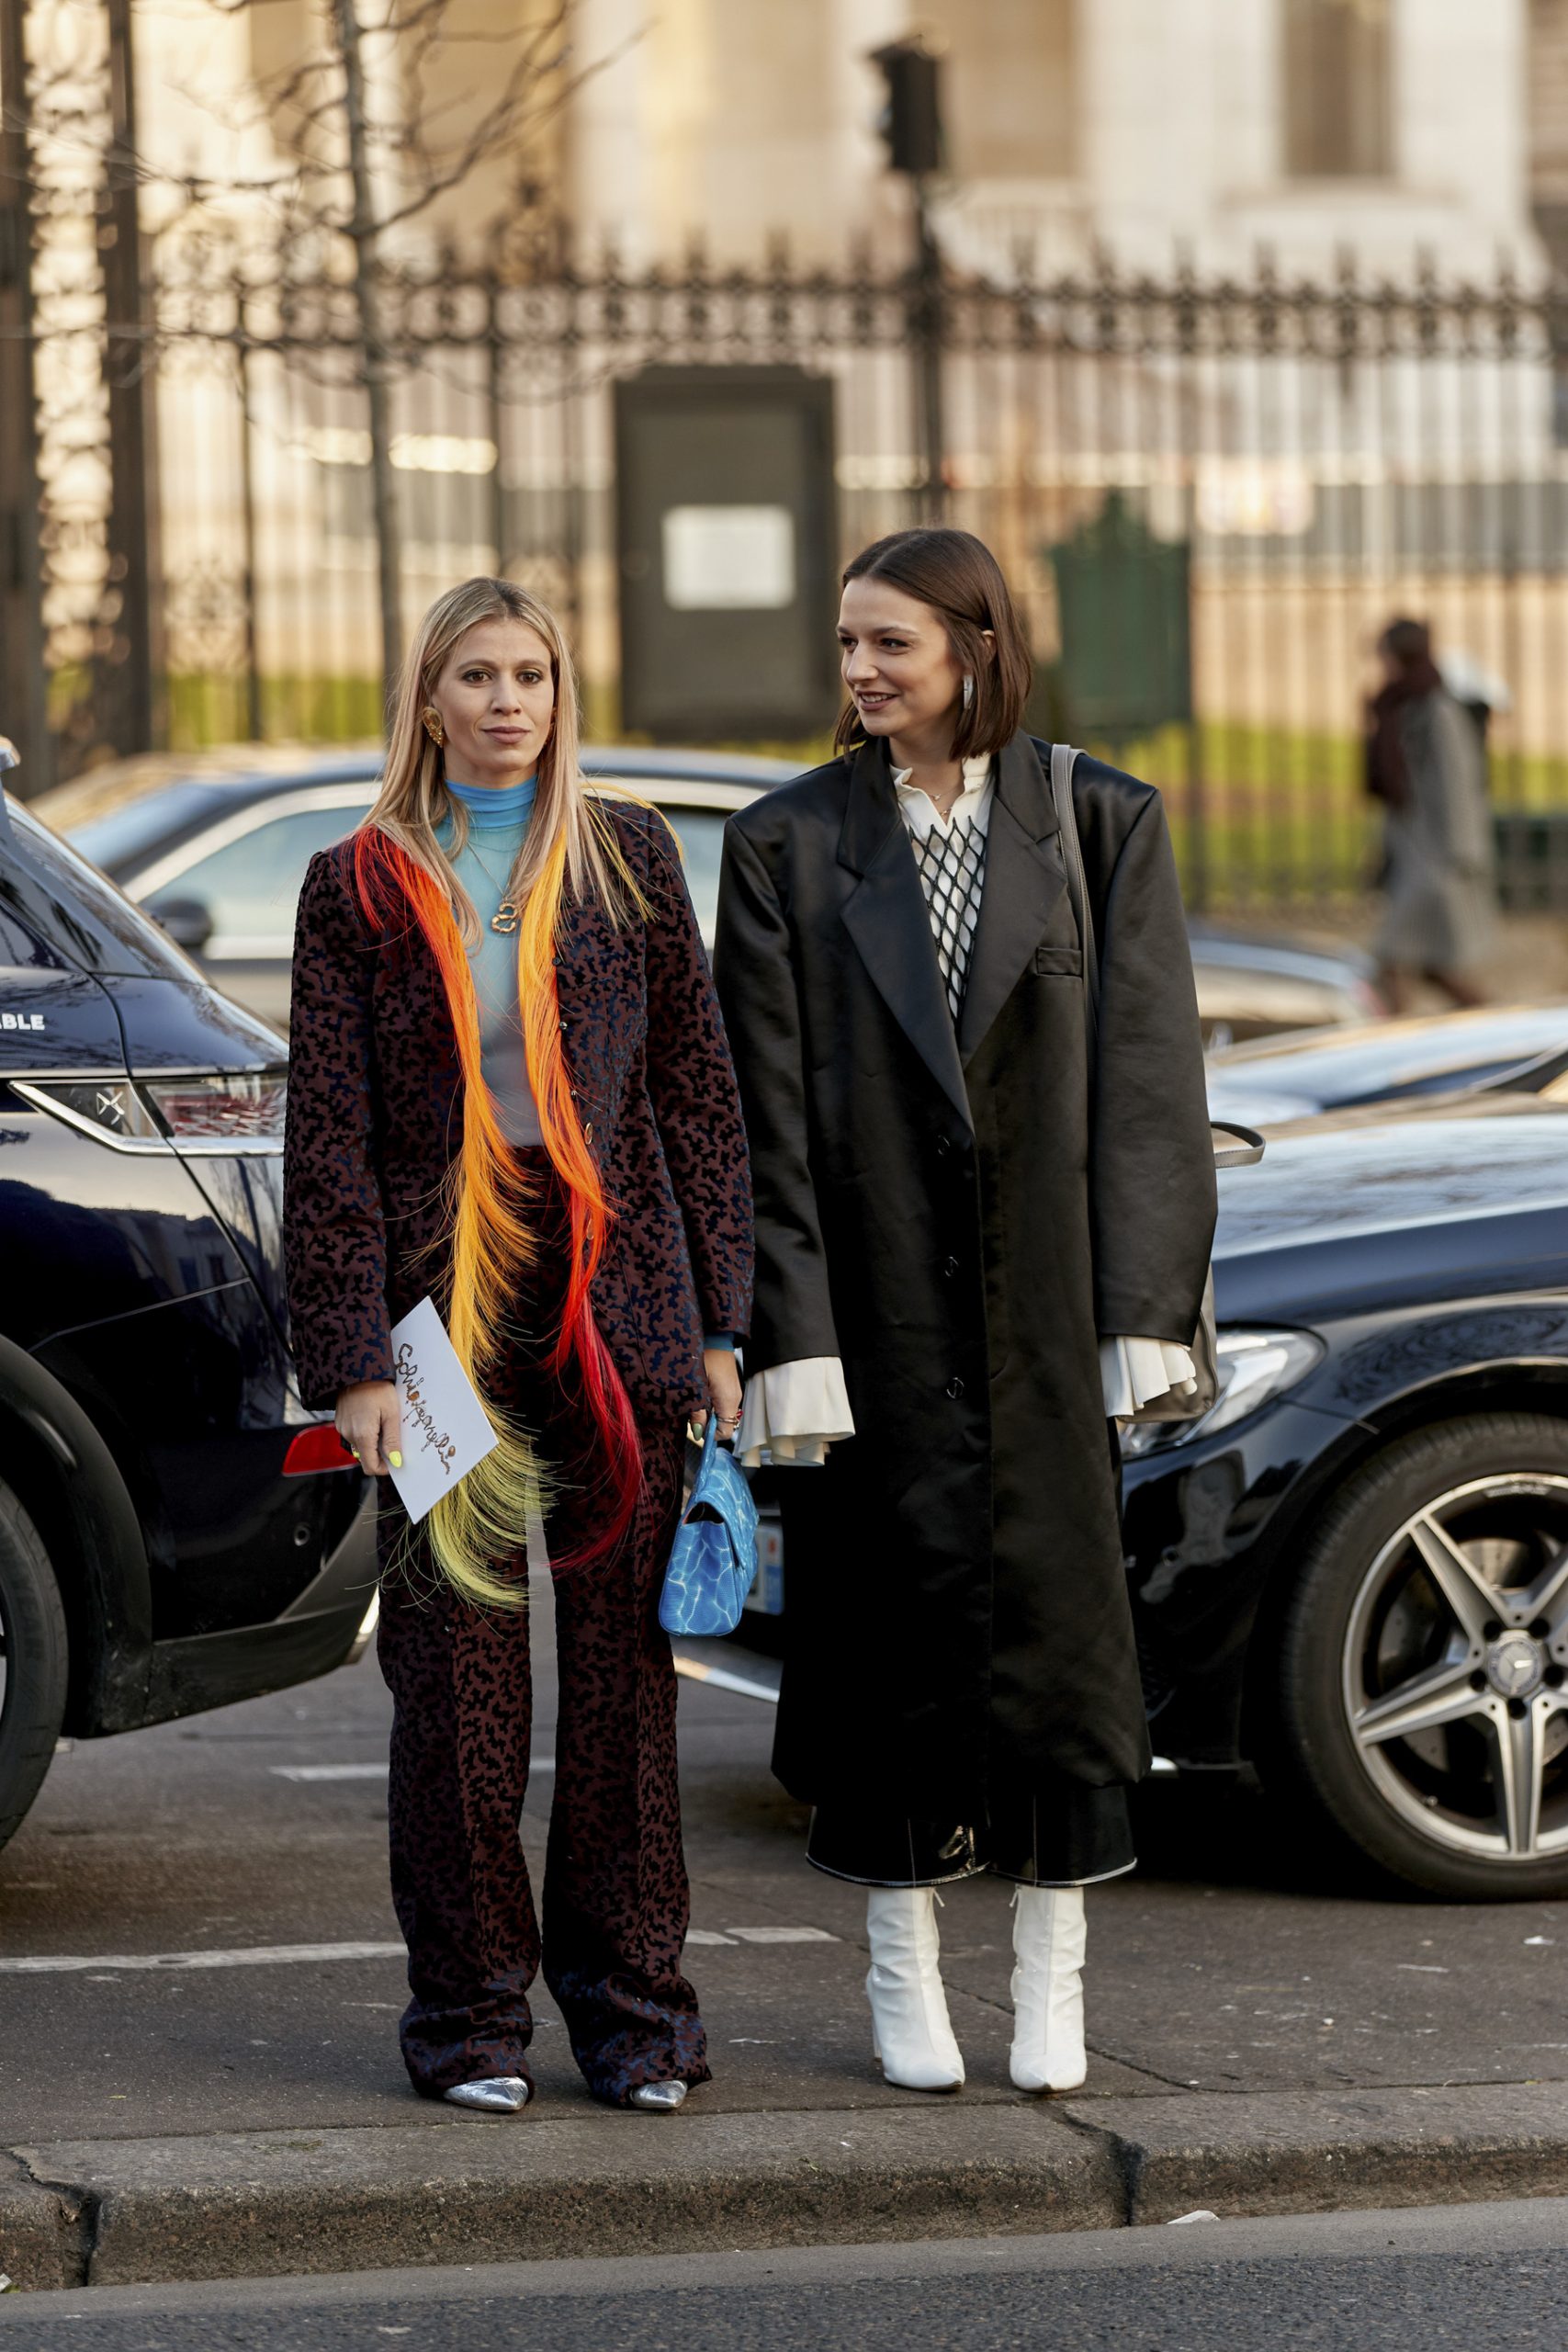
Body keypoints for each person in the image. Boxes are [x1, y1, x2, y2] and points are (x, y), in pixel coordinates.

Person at [714, 527, 1215, 2098]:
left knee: (1064, 1655)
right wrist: (787, 1335)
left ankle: (1051, 1975)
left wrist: (1144, 1311)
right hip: (874, 1322)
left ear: (975, 650)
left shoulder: (1097, 821)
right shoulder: (787, 843)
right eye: (848, 643)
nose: (859, 670)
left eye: (890, 645)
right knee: (884, 1649)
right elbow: (763, 1122)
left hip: (1049, 1321)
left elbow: (1148, 1088)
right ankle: (900, 1965)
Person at [283, 576, 751, 2114]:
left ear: (562, 695)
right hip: (438, 1322)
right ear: (427, 698)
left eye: (530, 675)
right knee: (457, 1688)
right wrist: (350, 1356)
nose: (505, 701)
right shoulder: (354, 883)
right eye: (474, 675)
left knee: (626, 1688)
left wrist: (726, 1322)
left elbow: (694, 1093)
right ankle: (470, 2018)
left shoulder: (625, 859)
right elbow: (329, 1139)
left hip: (616, 1316)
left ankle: (634, 2017)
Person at [1366, 618, 1497, 1012]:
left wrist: (1461, 860)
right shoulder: (1400, 705)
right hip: (1417, 854)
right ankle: (1487, 1025)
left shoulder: (1437, 710)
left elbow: (1458, 788)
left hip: (1438, 862)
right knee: (1432, 967)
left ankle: (1401, 1041)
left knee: (1391, 960)